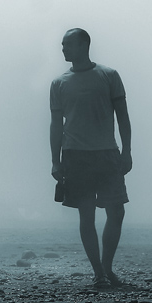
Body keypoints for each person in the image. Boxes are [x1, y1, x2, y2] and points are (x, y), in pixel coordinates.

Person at [50, 28, 132, 288]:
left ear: (84, 44)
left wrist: (127, 151)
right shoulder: (59, 83)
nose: (63, 49)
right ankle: (98, 272)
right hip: (75, 155)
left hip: (107, 153)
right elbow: (55, 126)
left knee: (116, 211)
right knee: (86, 215)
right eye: (62, 45)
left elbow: (123, 117)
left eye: (68, 44)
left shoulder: (108, 75)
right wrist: (55, 160)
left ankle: (107, 267)